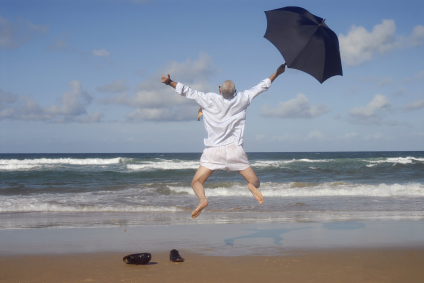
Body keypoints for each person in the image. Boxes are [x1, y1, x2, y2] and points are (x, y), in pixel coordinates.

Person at [161, 64, 286, 218]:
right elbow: (262, 87)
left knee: (196, 182)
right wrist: (277, 73)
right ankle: (251, 187)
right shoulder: (242, 98)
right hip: (235, 150)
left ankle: (202, 200)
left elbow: (187, 91)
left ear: (219, 89)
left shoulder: (208, 99)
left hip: (213, 151)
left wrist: (169, 82)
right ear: (235, 91)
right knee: (254, 180)